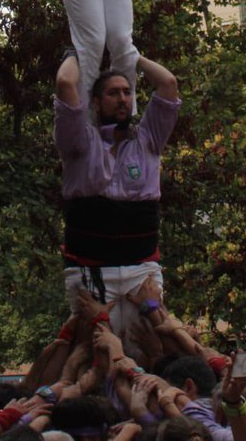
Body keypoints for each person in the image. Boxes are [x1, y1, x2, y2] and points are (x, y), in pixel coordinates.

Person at [54, 48, 179, 359]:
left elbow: (168, 83)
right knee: (94, 353)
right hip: (90, 270)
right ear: (96, 103)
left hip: (141, 269)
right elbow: (64, 84)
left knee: (152, 349)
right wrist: (79, 53)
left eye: (127, 92)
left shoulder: (148, 139)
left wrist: (130, 54)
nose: (123, 99)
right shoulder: (79, 142)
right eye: (113, 93)